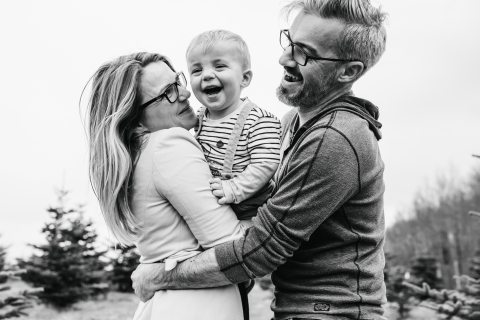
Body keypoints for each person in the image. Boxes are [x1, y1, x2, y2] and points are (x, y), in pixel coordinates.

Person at [132, 0, 388, 319]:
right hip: (297, 307)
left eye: (304, 53)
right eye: (289, 42)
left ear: (347, 71)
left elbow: (262, 249)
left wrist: (161, 276)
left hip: (331, 312)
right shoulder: (289, 124)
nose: (284, 58)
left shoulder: (334, 138)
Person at [86, 52, 248, 320]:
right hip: (198, 306)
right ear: (134, 116)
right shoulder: (168, 144)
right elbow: (233, 247)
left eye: (178, 81)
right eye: (168, 93)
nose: (185, 93)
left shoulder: (135, 157)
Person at [186, 30, 282, 224]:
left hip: (253, 212)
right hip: (216, 210)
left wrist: (234, 188)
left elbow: (266, 164)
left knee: (241, 248)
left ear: (244, 79)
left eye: (220, 66)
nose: (206, 75)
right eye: (196, 70)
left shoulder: (258, 120)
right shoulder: (200, 116)